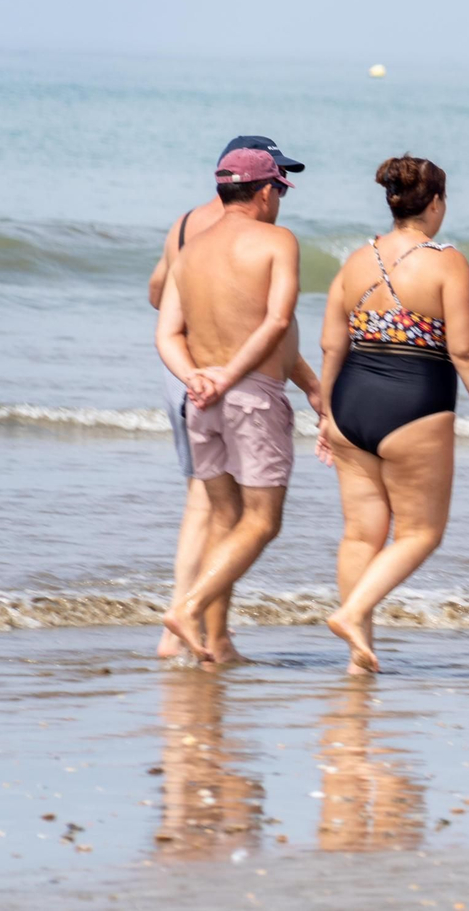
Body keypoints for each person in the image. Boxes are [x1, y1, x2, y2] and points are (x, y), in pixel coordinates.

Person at [316, 155, 469, 674]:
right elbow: (465, 349)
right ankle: (352, 614)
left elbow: (331, 344)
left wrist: (326, 414)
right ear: (435, 203)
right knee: (420, 533)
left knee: (360, 535)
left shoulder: (356, 259)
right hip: (414, 403)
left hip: (350, 401)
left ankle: (359, 656)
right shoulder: (447, 262)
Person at [148, 136, 319, 660]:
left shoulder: (190, 249)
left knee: (225, 518)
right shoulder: (278, 241)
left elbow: (166, 333)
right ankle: (188, 609)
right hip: (252, 394)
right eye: (279, 191)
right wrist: (231, 377)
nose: (279, 201)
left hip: (201, 399)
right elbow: (278, 321)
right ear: (265, 192)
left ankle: (218, 642)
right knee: (263, 520)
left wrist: (197, 378)